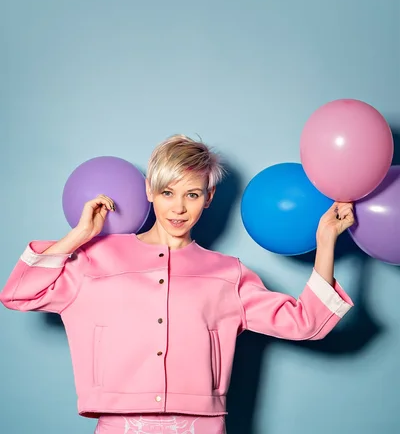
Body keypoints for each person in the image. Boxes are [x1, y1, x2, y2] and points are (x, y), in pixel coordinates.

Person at [0, 135, 354, 434]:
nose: (179, 208)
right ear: (150, 191)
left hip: (201, 426)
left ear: (209, 198)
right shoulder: (96, 258)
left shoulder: (226, 273)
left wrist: (326, 242)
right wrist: (77, 236)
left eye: (193, 195)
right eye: (168, 193)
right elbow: (19, 294)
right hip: (120, 425)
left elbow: (306, 323)